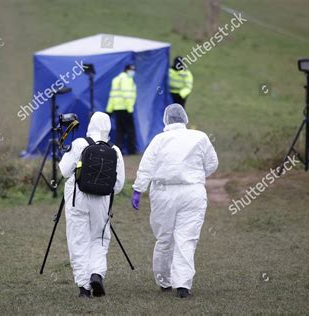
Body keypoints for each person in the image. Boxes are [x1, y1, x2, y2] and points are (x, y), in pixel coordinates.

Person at [131, 103, 218, 299]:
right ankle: (183, 285)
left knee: (164, 239)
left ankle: (164, 281)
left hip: (163, 194)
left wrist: (138, 189)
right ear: (185, 119)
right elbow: (212, 163)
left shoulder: (159, 139)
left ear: (166, 120)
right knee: (186, 239)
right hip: (193, 193)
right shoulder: (200, 137)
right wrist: (195, 174)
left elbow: (146, 166)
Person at [59, 112, 125, 298]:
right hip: (102, 202)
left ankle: (83, 287)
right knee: (99, 239)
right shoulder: (116, 150)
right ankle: (96, 273)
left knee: (78, 240)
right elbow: (118, 186)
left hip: (77, 199)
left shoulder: (80, 143)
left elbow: (64, 171)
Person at [105, 64, 137, 154]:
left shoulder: (116, 79)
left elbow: (112, 95)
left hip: (117, 109)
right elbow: (126, 95)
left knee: (120, 131)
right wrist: (130, 109)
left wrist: (109, 110)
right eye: (132, 70)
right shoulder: (127, 80)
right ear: (126, 70)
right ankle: (132, 151)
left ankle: (119, 150)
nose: (133, 72)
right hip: (126, 109)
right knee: (130, 130)